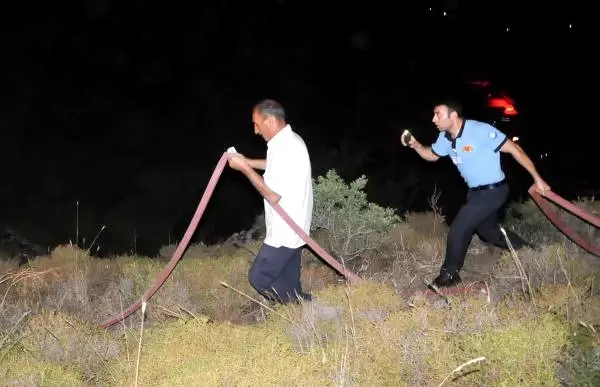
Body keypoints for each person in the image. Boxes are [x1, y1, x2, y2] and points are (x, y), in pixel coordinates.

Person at [404, 99, 551, 287]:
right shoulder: (445, 137)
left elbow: (515, 149)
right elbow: (432, 155)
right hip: (475, 193)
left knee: (459, 228)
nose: (433, 119)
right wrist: (415, 145)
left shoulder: (480, 131)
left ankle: (450, 274)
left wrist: (537, 178)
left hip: (494, 190)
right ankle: (530, 250)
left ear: (453, 115)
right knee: (488, 232)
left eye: (438, 114)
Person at [226, 99, 313, 303]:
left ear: (271, 121)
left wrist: (244, 169)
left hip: (285, 231)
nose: (255, 130)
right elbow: (274, 165)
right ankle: (304, 306)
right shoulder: (289, 141)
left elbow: (273, 196)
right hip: (297, 227)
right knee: (291, 285)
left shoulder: (286, 147)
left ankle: (294, 308)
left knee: (259, 278)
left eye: (257, 124)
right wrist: (248, 161)